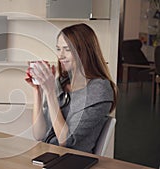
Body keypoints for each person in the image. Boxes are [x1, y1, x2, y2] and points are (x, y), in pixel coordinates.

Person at [25, 23, 117, 153]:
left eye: (67, 49)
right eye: (58, 49)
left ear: (84, 52)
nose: (60, 55)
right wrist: (38, 90)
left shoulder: (99, 90)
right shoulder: (61, 83)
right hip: (48, 153)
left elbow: (66, 141)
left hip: (72, 160)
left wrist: (50, 91)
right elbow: (39, 135)